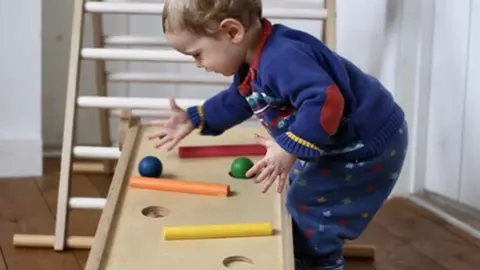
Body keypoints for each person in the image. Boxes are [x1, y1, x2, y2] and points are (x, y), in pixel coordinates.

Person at [147, 0, 409, 269]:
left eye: (196, 54)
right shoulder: (254, 60)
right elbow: (239, 99)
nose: (198, 64)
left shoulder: (282, 58)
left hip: (364, 144)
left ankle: (319, 261)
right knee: (294, 191)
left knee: (308, 209)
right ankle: (303, 249)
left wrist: (289, 148)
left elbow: (325, 100)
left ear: (232, 32)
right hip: (340, 141)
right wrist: (194, 118)